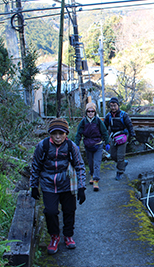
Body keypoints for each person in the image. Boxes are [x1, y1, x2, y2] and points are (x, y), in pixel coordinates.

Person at [29, 118, 86, 255]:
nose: (58, 137)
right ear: (50, 134)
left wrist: (81, 187)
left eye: (61, 133)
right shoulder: (43, 146)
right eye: (55, 133)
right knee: (50, 212)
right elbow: (35, 166)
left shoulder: (71, 146)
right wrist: (34, 186)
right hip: (48, 184)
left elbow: (80, 166)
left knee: (69, 210)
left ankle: (68, 235)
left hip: (67, 183)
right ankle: (54, 236)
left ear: (66, 133)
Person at [75, 102, 110, 191]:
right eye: (88, 111)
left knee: (97, 164)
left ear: (95, 112)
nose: (90, 113)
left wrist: (107, 143)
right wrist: (77, 145)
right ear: (86, 112)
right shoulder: (83, 122)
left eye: (92, 111)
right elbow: (78, 133)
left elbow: (104, 132)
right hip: (88, 145)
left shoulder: (98, 121)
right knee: (90, 163)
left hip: (98, 144)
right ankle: (91, 175)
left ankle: (96, 181)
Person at [104, 97, 136, 181]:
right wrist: (103, 137)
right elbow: (104, 127)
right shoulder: (108, 116)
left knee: (120, 156)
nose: (113, 108)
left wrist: (132, 135)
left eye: (114, 105)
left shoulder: (123, 115)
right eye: (111, 106)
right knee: (113, 155)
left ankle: (120, 172)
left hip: (122, 137)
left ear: (118, 105)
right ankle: (123, 163)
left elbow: (129, 125)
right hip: (113, 137)